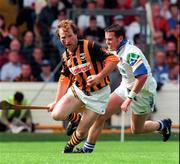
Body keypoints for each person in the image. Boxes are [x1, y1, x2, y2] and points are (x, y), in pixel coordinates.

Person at [71, 24, 172, 153]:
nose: (107, 42)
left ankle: (163, 125)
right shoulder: (114, 50)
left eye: (110, 39)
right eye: (106, 39)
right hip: (125, 86)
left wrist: (129, 99)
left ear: (120, 39)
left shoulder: (131, 52)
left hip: (143, 91)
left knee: (136, 130)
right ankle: (87, 149)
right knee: (101, 114)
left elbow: (142, 77)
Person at [47, 19, 119, 153]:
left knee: (80, 133)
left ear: (76, 34)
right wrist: (57, 101)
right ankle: (75, 119)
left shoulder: (90, 46)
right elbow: (64, 79)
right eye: (63, 38)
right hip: (78, 90)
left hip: (98, 95)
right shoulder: (65, 57)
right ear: (59, 39)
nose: (67, 41)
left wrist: (99, 77)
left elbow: (114, 59)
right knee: (56, 114)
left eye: (70, 36)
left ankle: (69, 147)